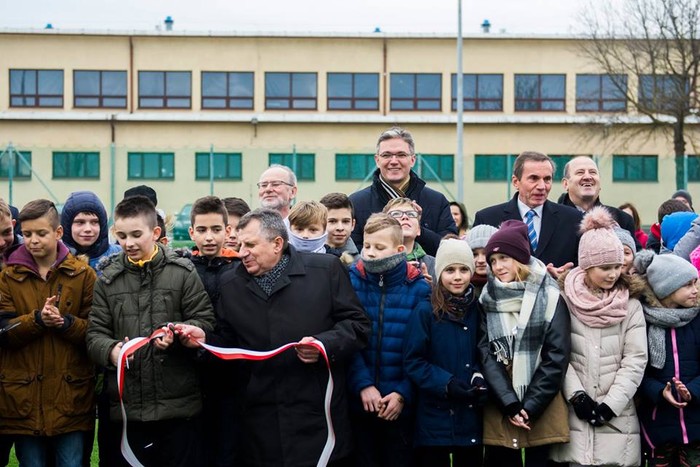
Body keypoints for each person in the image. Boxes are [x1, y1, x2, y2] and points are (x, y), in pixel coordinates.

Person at [175, 208, 371, 467]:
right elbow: (228, 340)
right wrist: (203, 340)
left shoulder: (325, 271)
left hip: (317, 413)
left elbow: (358, 325)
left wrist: (325, 345)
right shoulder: (230, 282)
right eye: (241, 243)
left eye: (251, 245)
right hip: (258, 417)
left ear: (277, 243)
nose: (241, 251)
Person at [86, 195, 216, 467]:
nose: (128, 243)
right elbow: (94, 334)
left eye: (136, 235)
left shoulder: (181, 272)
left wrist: (182, 336)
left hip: (178, 407)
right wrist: (112, 351)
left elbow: (204, 320)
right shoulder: (107, 279)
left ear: (155, 233)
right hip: (126, 409)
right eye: (121, 235)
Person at [0, 199, 97, 467]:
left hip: (71, 399)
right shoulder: (8, 277)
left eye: (41, 233)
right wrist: (37, 320)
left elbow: (95, 332)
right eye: (27, 234)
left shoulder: (84, 275)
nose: (33, 241)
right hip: (23, 400)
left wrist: (65, 323)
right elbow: (3, 331)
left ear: (57, 233)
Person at [549, 207, 648, 467]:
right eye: (605, 267)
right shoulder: (565, 301)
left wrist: (610, 405)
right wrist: (577, 396)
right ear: (587, 265)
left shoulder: (631, 305)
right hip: (574, 414)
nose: (613, 274)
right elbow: (558, 351)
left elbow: (635, 359)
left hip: (618, 417)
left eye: (617, 266)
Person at [478, 220, 571, 467]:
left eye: (504, 258)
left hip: (542, 403)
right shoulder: (487, 298)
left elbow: (557, 355)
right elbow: (486, 353)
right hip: (500, 402)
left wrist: (530, 405)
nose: (497, 267)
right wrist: (509, 403)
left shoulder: (550, 296)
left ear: (520, 259)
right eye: (493, 261)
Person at [347, 213, 431, 466]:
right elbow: (347, 337)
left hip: (400, 403)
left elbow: (425, 348)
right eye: (367, 245)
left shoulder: (419, 288)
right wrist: (362, 384)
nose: (370, 253)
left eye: (379, 247)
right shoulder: (351, 280)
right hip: (360, 400)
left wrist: (403, 393)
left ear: (399, 249)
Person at [403, 238, 487, 467]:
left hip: (470, 416)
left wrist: (479, 376)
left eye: (463, 270)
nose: (457, 277)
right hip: (434, 416)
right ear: (439, 272)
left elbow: (483, 351)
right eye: (450, 270)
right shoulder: (426, 310)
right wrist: (445, 383)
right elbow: (414, 360)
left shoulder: (477, 309)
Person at [635, 250, 700, 466]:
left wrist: (692, 390)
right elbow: (638, 371)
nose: (695, 290)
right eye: (688, 285)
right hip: (658, 424)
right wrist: (659, 392)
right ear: (667, 289)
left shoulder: (697, 319)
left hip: (696, 424)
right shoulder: (643, 322)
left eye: (696, 283)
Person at [349, 126, 457, 256]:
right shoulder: (356, 203)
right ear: (377, 160)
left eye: (401, 155)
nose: (394, 161)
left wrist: (417, 228)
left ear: (412, 160)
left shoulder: (437, 201)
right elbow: (351, 251)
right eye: (386, 155)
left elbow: (451, 250)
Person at [473, 151, 582, 278]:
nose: (542, 186)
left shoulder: (572, 219)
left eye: (547, 179)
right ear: (515, 182)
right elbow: (477, 268)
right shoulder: (487, 218)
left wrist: (566, 275)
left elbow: (581, 267)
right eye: (533, 178)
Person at [559, 156, 640, 249]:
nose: (588, 177)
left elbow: (634, 257)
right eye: (580, 172)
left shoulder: (622, 220)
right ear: (566, 184)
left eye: (593, 172)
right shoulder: (553, 219)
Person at [60, 191, 121, 271]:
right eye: (80, 222)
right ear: (68, 226)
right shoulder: (55, 259)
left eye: (94, 222)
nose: (88, 229)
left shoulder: (119, 256)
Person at [383, 197, 435, 281]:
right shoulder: (374, 263)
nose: (405, 217)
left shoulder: (433, 265)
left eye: (411, 214)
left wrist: (429, 290)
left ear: (418, 230)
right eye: (396, 214)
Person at [320, 192, 360, 265]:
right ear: (320, 223)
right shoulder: (309, 256)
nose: (340, 228)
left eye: (345, 221)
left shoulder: (360, 264)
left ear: (353, 225)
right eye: (332, 221)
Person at [466, 224, 498, 297]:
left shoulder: (512, 285)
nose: (480, 260)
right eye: (474, 254)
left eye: (486, 253)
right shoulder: (459, 288)